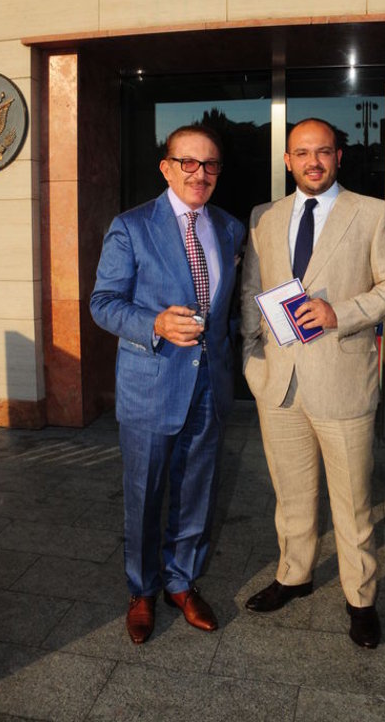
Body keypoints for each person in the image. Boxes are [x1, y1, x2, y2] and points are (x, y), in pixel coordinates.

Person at [241, 117, 385, 648]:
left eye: (323, 151)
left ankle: (360, 598)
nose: (312, 161)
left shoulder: (373, 213)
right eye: (301, 152)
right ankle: (294, 575)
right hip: (278, 384)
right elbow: (252, 290)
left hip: (342, 383)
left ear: (339, 156)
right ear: (287, 160)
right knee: (291, 494)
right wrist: (251, 360)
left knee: (352, 503)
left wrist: (342, 312)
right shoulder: (264, 216)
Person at [90, 124, 245, 645]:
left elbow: (226, 310)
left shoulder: (228, 228)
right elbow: (103, 303)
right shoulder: (132, 227)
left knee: (198, 491)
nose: (200, 174)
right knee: (144, 493)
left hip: (210, 386)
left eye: (210, 164)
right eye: (188, 163)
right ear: (166, 167)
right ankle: (142, 589)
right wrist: (154, 323)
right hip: (151, 385)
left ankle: (181, 582)